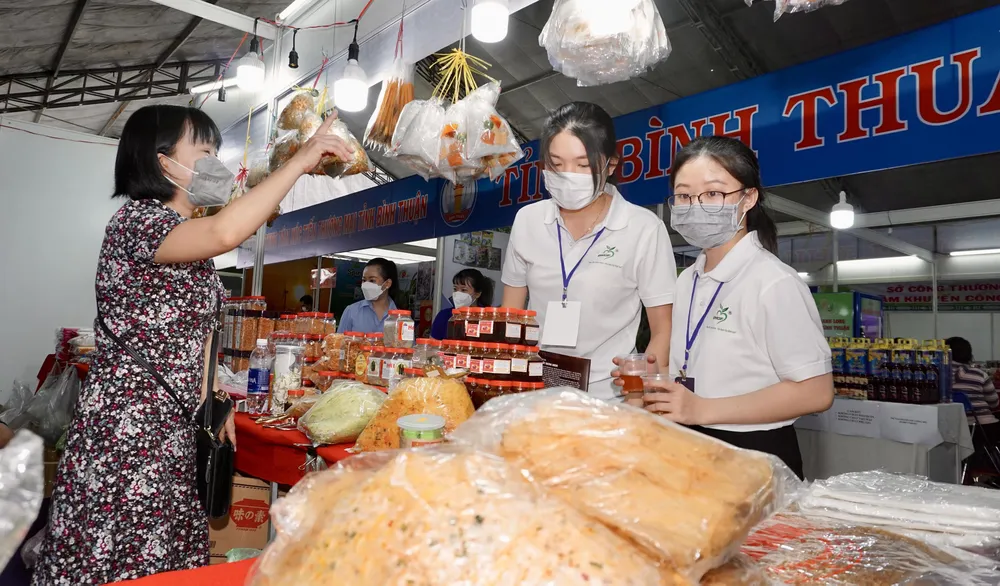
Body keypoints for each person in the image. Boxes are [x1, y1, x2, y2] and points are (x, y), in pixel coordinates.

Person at [32, 105, 353, 585]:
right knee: (127, 553)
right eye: (204, 151)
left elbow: (200, 332)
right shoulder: (136, 223)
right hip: (130, 431)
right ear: (164, 162)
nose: (215, 163)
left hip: (173, 426)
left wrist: (214, 399)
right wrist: (298, 161)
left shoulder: (187, 242)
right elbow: (227, 231)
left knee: (165, 553)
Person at [626, 135, 833, 479]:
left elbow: (816, 391)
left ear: (748, 197)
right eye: (683, 195)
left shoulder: (773, 282)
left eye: (712, 193)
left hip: (755, 455)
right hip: (689, 444)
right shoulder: (688, 279)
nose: (696, 205)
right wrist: (649, 381)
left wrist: (701, 409)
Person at [501, 102, 676, 400]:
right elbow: (511, 317)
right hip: (536, 389)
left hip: (610, 396)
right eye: (556, 164)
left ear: (610, 165)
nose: (568, 175)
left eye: (583, 165)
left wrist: (640, 395)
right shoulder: (528, 221)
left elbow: (663, 329)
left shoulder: (643, 228)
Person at [947, 336, 999, 467]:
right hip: (983, 429)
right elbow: (994, 403)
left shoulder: (936, 375)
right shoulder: (979, 374)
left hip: (952, 430)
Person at [338, 258, 400, 334]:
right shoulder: (351, 311)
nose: (366, 285)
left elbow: (408, 345)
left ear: (387, 283)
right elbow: (338, 343)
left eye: (372, 280)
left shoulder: (401, 317)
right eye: (364, 280)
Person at [431, 269, 493, 340]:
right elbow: (432, 345)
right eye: (455, 289)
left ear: (477, 294)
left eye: (464, 290)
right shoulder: (444, 315)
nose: (458, 293)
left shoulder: (487, 317)